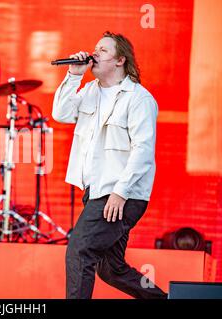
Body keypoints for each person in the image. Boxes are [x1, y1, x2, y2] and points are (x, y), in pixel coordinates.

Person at [52, 31, 167, 299]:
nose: (94, 53)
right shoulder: (90, 91)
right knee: (110, 269)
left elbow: (143, 151)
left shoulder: (138, 98)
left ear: (120, 60)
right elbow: (61, 113)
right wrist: (74, 75)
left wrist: (120, 192)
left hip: (119, 195)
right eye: (95, 48)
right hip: (96, 191)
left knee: (80, 250)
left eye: (103, 50)